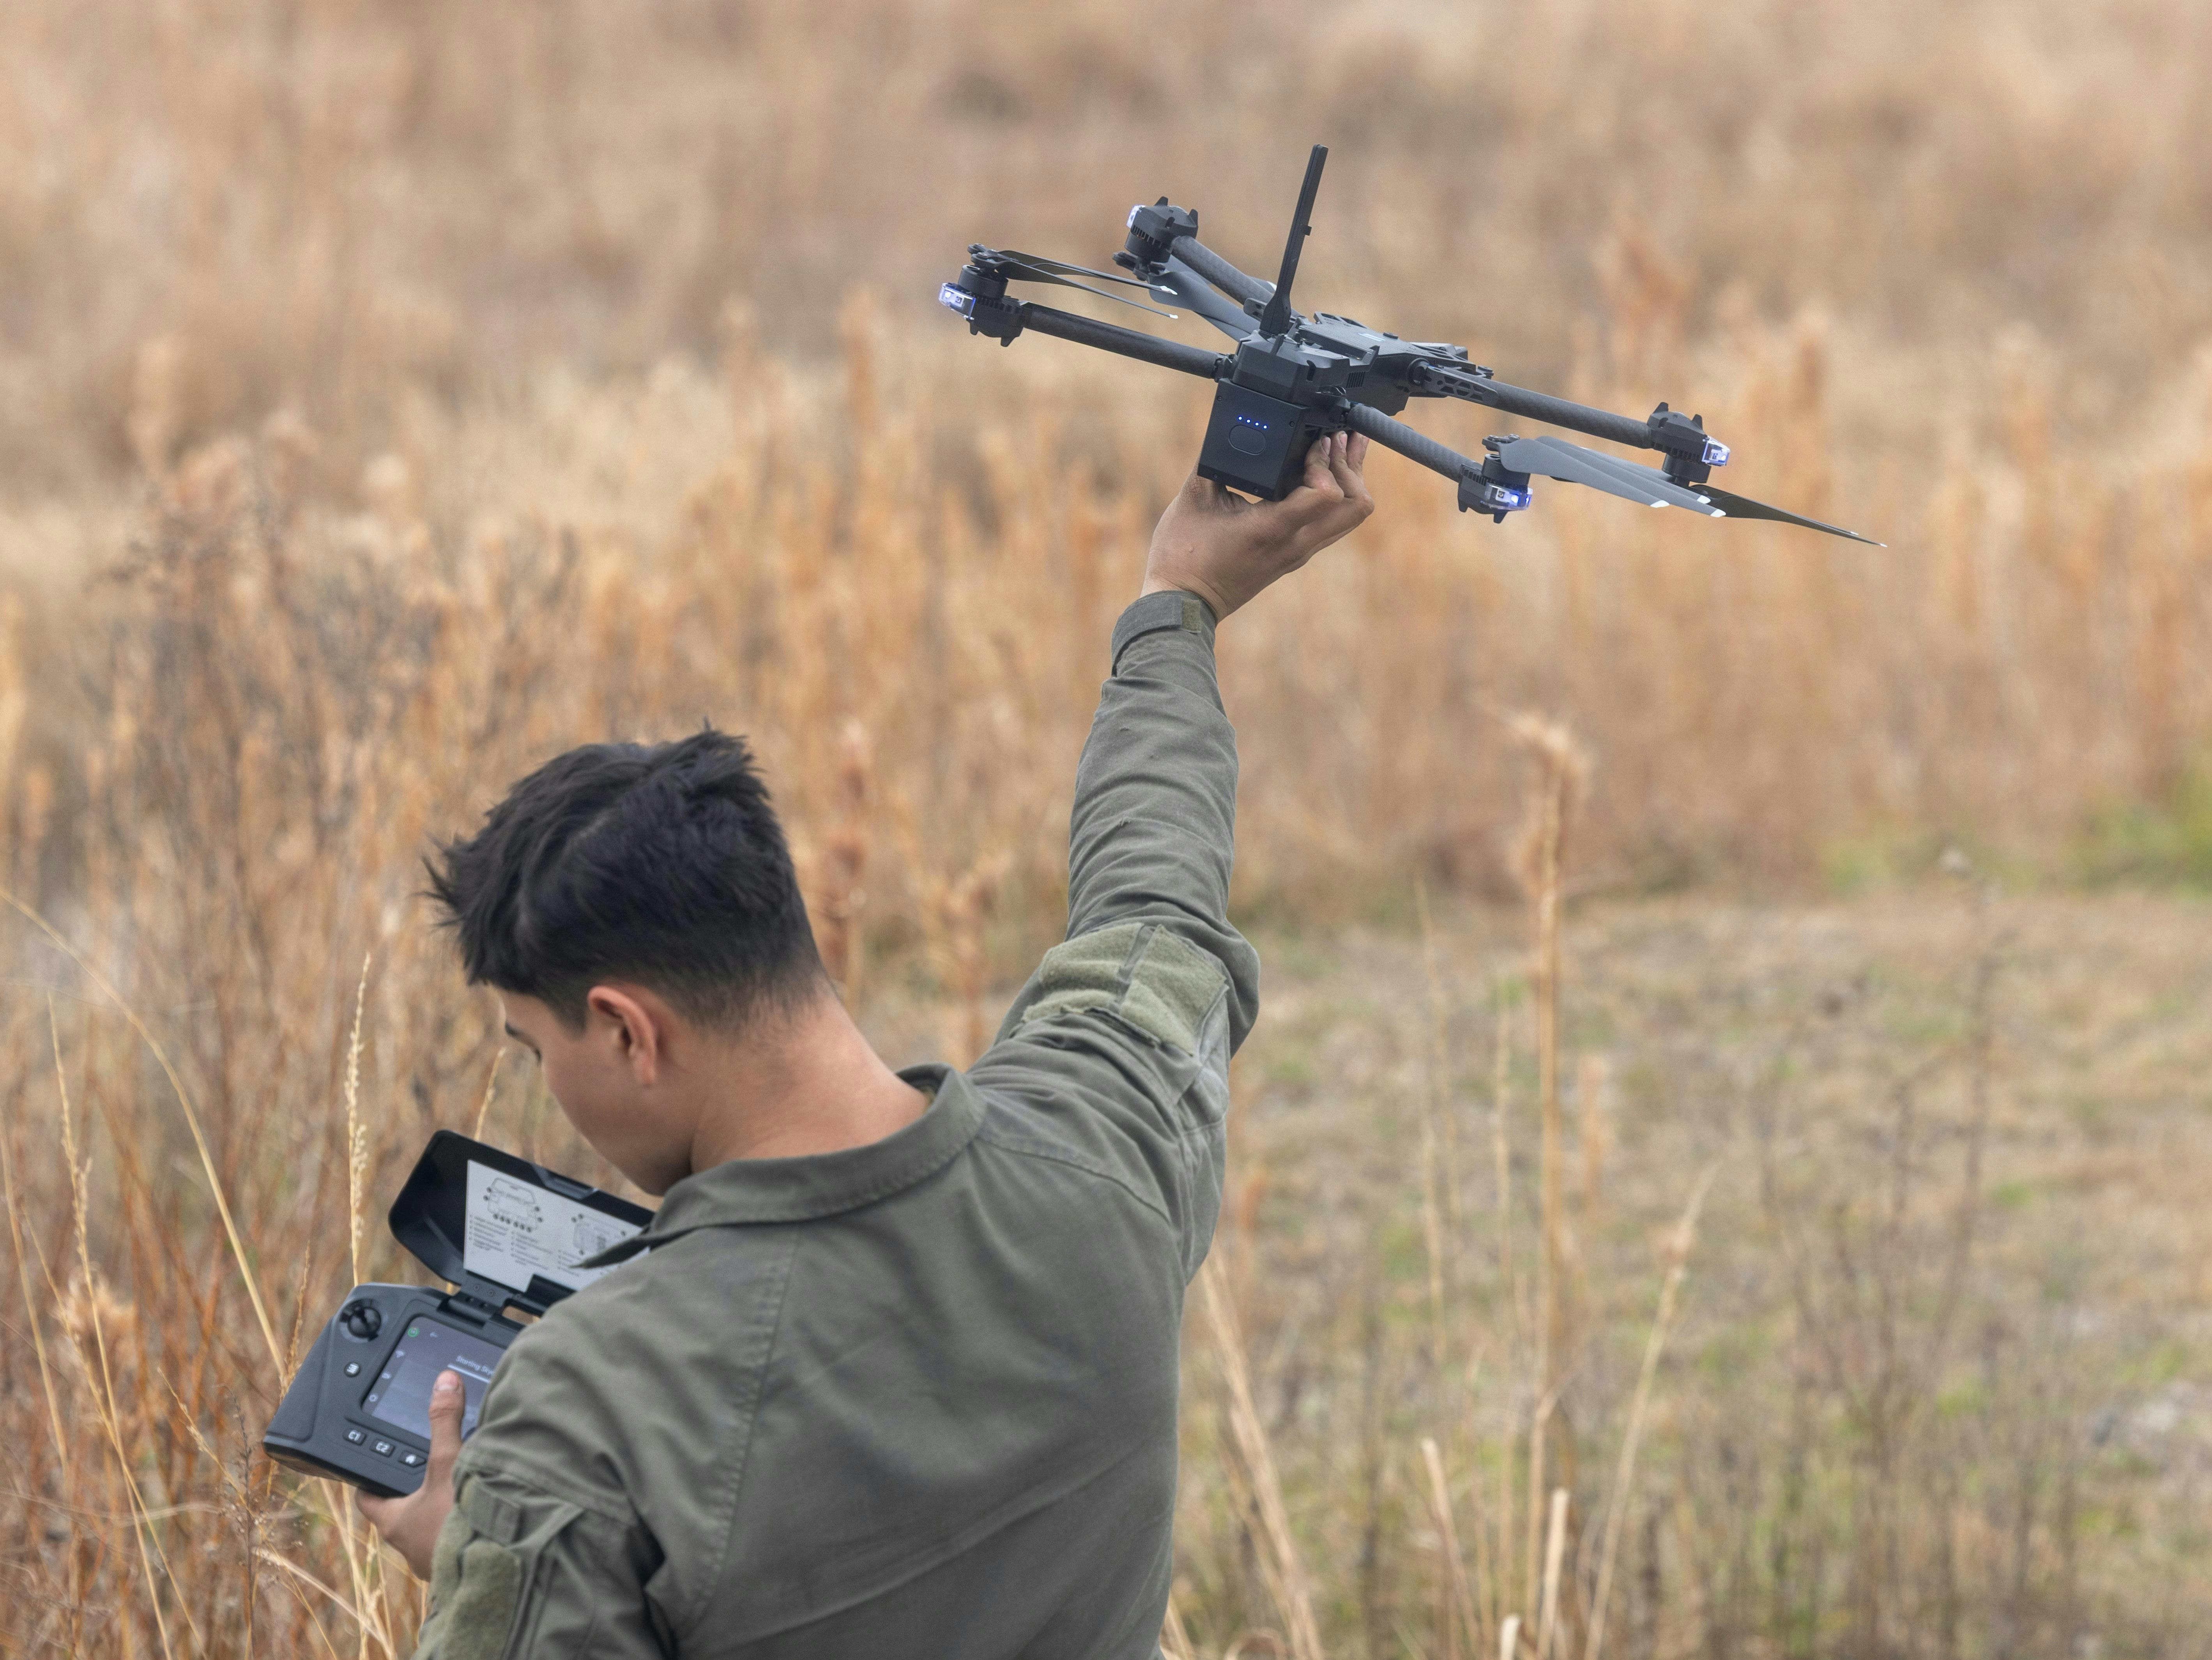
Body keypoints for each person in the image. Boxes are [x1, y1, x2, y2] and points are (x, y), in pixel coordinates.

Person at [359, 433, 1376, 1656]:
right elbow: (1154, 905)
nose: (547, 1085)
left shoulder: (579, 1416)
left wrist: (482, 1560)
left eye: (535, 1050)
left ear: (628, 1030)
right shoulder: (1103, 1148)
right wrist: (1178, 606)